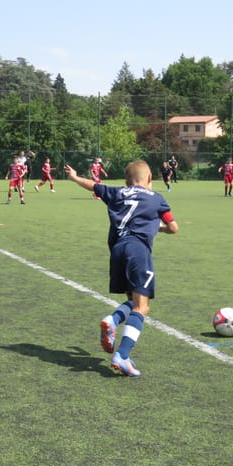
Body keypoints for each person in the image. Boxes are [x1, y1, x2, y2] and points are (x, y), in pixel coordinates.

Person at [64, 160, 179, 377]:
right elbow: (173, 227)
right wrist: (158, 228)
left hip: (117, 251)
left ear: (127, 181)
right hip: (138, 251)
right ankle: (122, 355)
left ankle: (112, 320)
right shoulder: (157, 199)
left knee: (133, 300)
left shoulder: (117, 193)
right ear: (150, 179)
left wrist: (74, 177)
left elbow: (94, 186)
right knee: (142, 307)